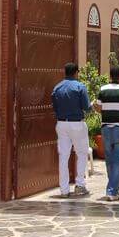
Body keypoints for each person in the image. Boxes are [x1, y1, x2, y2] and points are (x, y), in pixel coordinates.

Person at [95, 65, 119, 201]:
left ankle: (114, 189)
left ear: (110, 76)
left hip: (106, 128)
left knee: (110, 160)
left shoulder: (103, 89)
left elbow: (99, 108)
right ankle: (112, 191)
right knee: (118, 161)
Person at [51, 62, 91, 198]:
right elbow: (86, 107)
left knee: (63, 156)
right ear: (76, 72)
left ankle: (64, 190)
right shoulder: (80, 87)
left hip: (62, 124)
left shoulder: (57, 87)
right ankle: (80, 185)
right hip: (77, 124)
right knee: (82, 153)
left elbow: (55, 107)